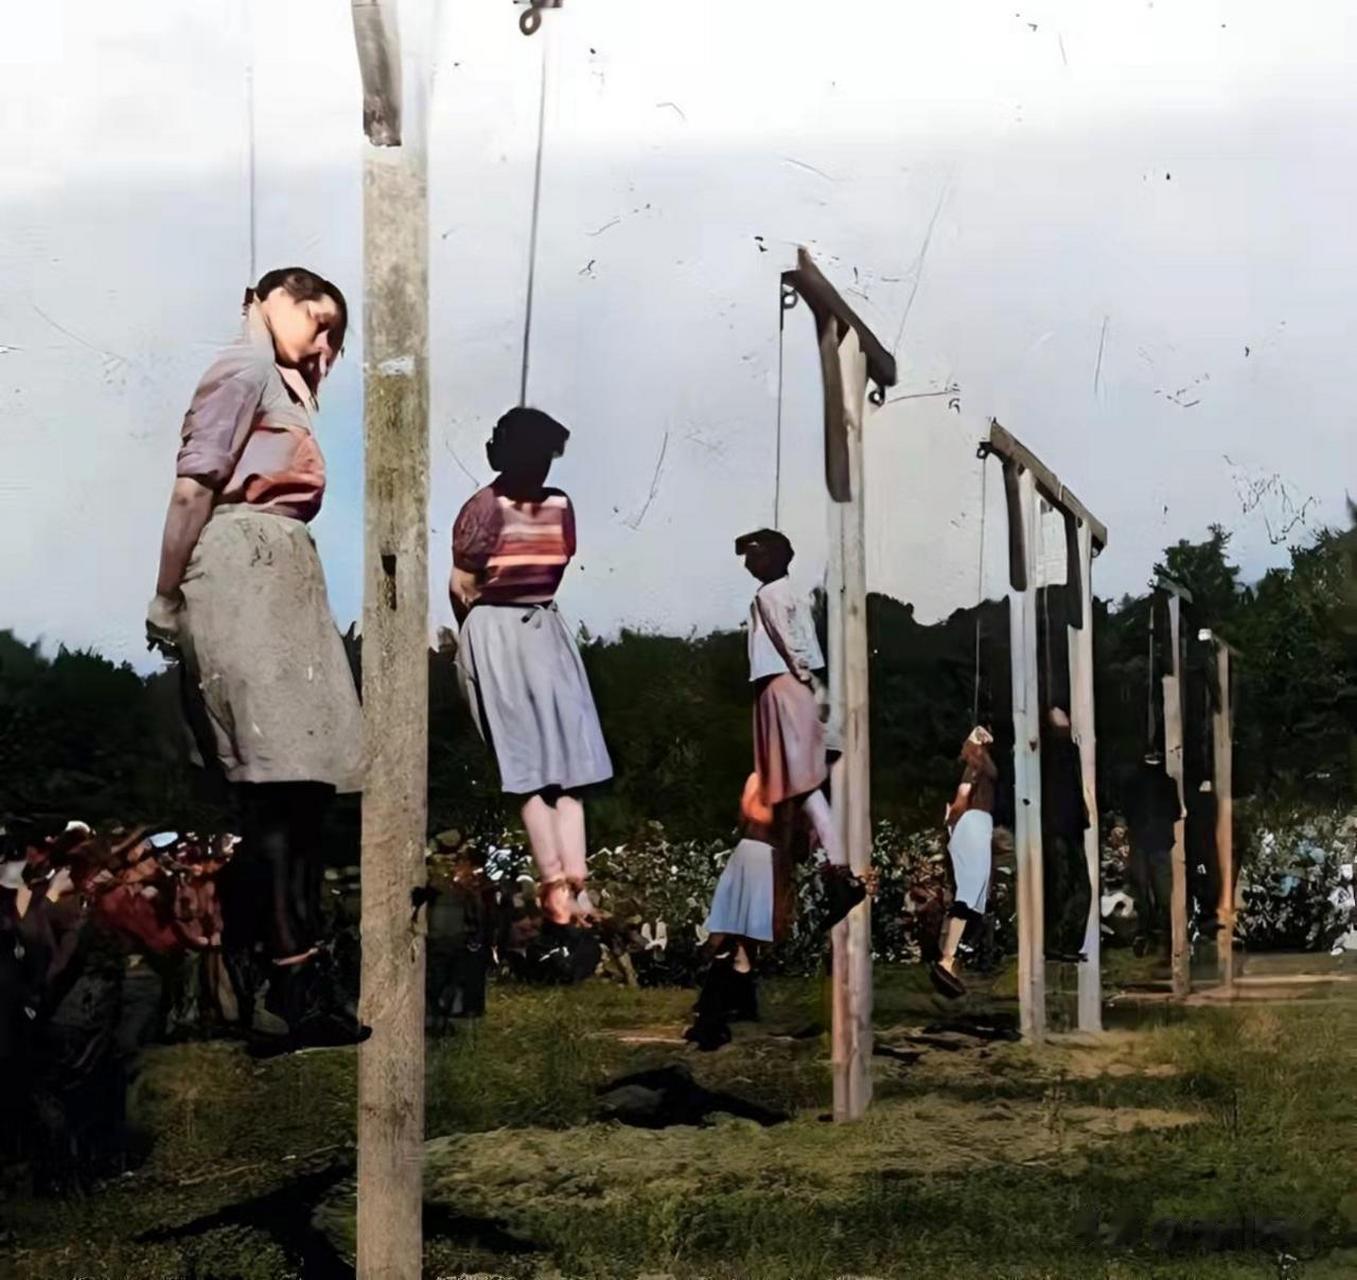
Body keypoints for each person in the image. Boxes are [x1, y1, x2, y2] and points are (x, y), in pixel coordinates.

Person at [145, 267, 367, 1052]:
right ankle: (290, 978)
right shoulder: (239, 367)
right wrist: (166, 597)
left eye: (338, 331)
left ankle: (297, 973)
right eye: (319, 318)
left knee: (306, 789)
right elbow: (191, 489)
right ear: (268, 299)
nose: (326, 340)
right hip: (237, 564)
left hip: (283, 570)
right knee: (276, 787)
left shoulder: (282, 383)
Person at [451, 407, 612, 981]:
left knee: (552, 769)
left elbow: (468, 583)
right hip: (515, 628)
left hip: (524, 627)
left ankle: (569, 882)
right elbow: (471, 581)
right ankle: (561, 882)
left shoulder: (529, 505)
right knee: (542, 771)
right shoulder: (499, 507)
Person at [735, 528, 868, 929]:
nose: (748, 563)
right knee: (799, 786)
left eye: (755, 554)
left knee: (798, 785)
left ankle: (835, 870)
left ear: (774, 557)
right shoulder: (794, 593)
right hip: (798, 686)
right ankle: (827, 870)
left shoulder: (768, 596)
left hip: (782, 685)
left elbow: (791, 645)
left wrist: (806, 680)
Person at [685, 774, 781, 1051]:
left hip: (759, 853)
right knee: (737, 934)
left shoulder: (778, 783)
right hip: (754, 851)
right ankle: (733, 1003)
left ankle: (728, 1004)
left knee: (739, 934)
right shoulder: (762, 780)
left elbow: (753, 814)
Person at [931, 726, 997, 998]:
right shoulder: (975, 769)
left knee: (976, 896)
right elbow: (961, 801)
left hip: (978, 825)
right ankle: (947, 957)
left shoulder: (978, 769)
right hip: (973, 824)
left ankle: (953, 955)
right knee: (970, 894)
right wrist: (950, 820)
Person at [1040, 707, 1092, 964]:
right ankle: (1061, 943)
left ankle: (1062, 943)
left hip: (1064, 827)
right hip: (1061, 827)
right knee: (1069, 886)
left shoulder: (1059, 752)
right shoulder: (1059, 752)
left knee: (1069, 887)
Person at [1124, 749, 1183, 956]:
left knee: (1142, 887)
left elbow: (1126, 809)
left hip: (1142, 840)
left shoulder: (1133, 783)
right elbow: (1176, 812)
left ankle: (1147, 931)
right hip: (1158, 841)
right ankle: (1164, 932)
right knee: (1161, 889)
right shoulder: (1167, 783)